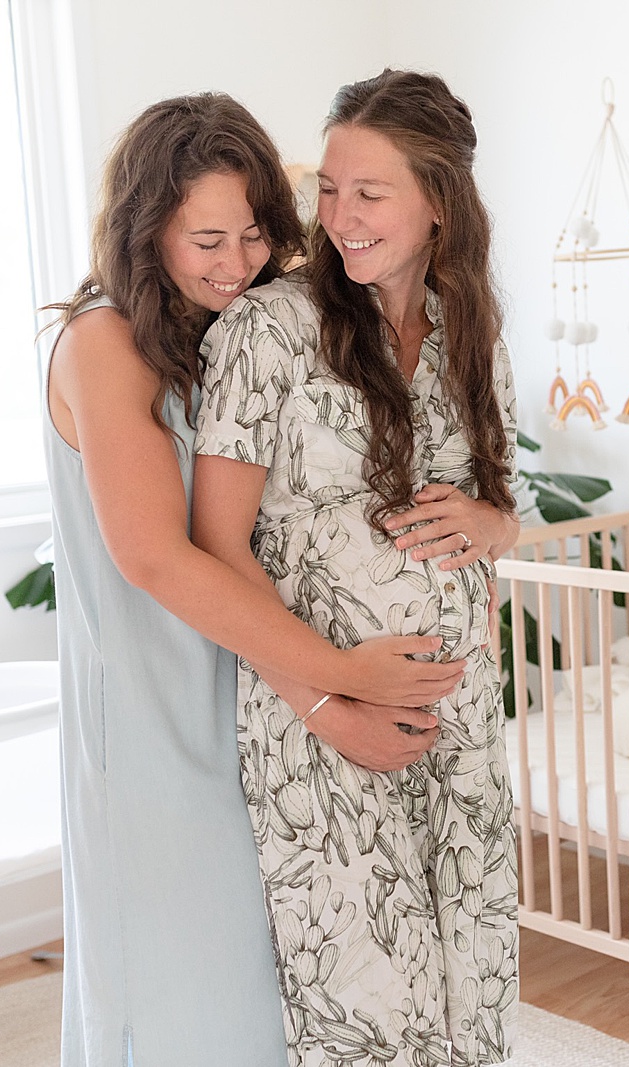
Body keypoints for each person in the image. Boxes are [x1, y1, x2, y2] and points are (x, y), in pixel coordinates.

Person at [43, 92, 465, 1066]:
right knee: (180, 992)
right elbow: (153, 554)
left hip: (262, 697)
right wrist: (335, 681)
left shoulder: (245, 336)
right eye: (205, 240)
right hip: (160, 715)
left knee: (269, 995)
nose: (234, 264)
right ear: (146, 233)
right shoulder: (102, 342)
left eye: (252, 235)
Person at [191, 70, 520, 1067]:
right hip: (322, 721)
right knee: (367, 1004)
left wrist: (492, 524)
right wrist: (333, 701)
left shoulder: (470, 324)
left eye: (367, 192)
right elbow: (216, 547)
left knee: (471, 973)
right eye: (329, 188)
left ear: (438, 202)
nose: (337, 215)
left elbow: (504, 505)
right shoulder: (267, 329)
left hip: (459, 712)